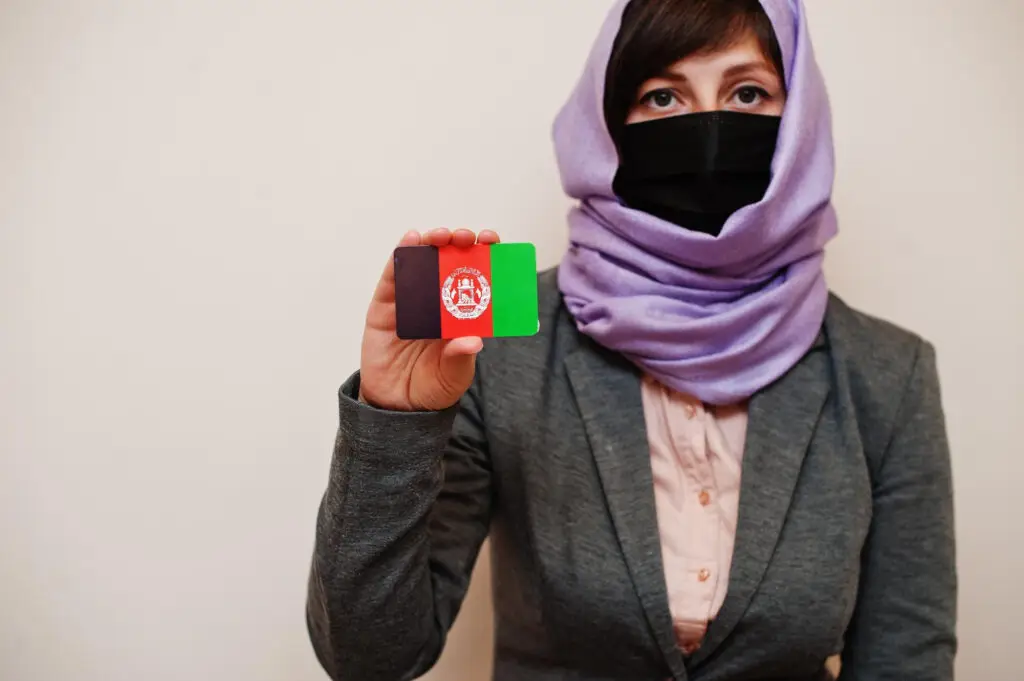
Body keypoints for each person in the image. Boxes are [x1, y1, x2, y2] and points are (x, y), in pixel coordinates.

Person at [306, 0, 957, 679]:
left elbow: (906, 660)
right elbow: (370, 657)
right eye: (662, 95)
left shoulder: (888, 373)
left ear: (799, 123)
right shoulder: (499, 342)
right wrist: (393, 419)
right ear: (608, 124)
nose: (707, 129)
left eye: (748, 92)